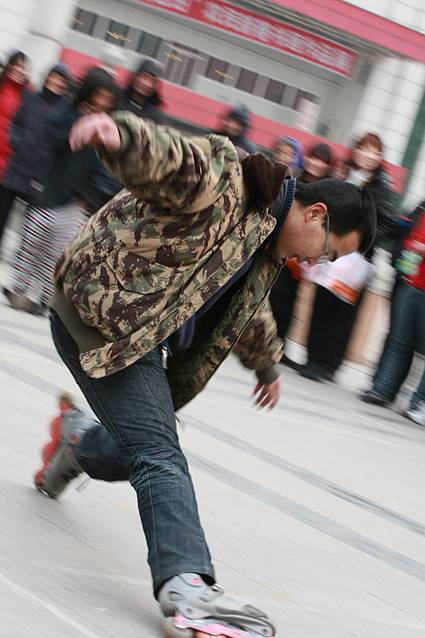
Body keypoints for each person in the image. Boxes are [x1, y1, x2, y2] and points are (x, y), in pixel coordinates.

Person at [33, 111, 376, 637]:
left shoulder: (265, 241)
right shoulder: (234, 181)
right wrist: (120, 136)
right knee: (158, 453)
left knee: (146, 444)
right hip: (100, 315)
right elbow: (177, 161)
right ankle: (187, 588)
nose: (318, 264)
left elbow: (245, 310)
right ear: (316, 214)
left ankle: (76, 440)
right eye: (328, 251)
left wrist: (266, 361)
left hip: (140, 336)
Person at [4, 67, 120, 315]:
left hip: (76, 201)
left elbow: (108, 168)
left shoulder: (109, 127)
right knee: (31, 244)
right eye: (99, 95)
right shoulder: (68, 112)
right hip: (47, 190)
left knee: (58, 255)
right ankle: (18, 290)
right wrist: (80, 123)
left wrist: (93, 196)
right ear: (88, 91)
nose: (103, 102)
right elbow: (53, 138)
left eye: (108, 98)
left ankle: (44, 299)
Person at [297, 132, 398, 382]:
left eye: (374, 151)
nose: (368, 155)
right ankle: (312, 357)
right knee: (320, 303)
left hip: (356, 258)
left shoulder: (382, 187)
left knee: (341, 311)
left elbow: (387, 223)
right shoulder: (343, 174)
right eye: (364, 149)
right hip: (330, 248)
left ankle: (328, 363)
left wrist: (361, 239)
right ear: (356, 150)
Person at [269, 142, 334, 368]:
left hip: (303, 255)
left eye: (322, 161)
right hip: (281, 244)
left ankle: (279, 346)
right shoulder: (294, 178)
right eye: (313, 157)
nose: (316, 163)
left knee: (289, 302)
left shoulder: (329, 189)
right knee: (271, 294)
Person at [361, 200, 425, 425]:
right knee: (399, 342)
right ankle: (383, 389)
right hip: (411, 282)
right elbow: (405, 234)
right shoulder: (422, 209)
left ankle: (420, 402)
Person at [0, 64, 71, 243]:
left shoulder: (66, 108)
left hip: (40, 175)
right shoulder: (31, 97)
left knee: (30, 226)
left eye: (61, 80)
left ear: (65, 84)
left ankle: (22, 256)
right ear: (48, 77)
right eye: (54, 77)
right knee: (1, 215)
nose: (56, 82)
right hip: (17, 166)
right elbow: (16, 123)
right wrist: (17, 142)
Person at [0, 50, 30, 245]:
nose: (19, 70)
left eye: (23, 67)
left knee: (1, 217)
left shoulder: (30, 96)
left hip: (10, 168)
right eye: (16, 65)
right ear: (9, 66)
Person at [121, 56, 165, 124]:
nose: (147, 84)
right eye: (145, 76)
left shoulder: (155, 116)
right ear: (135, 76)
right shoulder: (117, 97)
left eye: (153, 81)